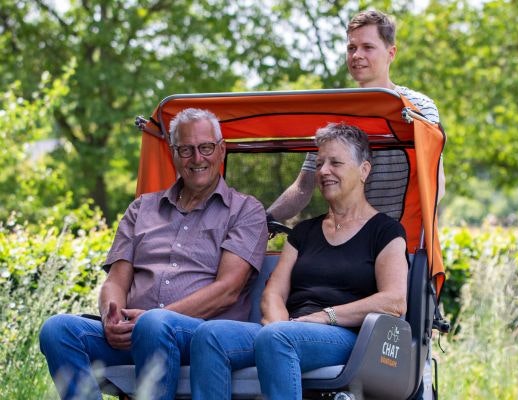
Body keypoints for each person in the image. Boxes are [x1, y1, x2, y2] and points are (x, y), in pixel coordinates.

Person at [39, 108, 269, 400]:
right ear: (173, 153)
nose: (197, 159)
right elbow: (116, 281)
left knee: (154, 324)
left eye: (206, 148)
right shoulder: (141, 209)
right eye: (186, 150)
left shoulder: (246, 210)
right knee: (58, 329)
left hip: (200, 336)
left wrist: (152, 318)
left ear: (221, 150)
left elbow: (227, 291)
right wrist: (111, 318)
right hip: (132, 333)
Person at [189, 122, 409, 399]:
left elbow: (394, 301)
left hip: (349, 336)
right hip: (289, 331)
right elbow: (273, 291)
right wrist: (281, 323)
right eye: (319, 164)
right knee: (209, 336)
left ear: (364, 170)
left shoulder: (385, 231)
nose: (324, 171)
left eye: (335, 163)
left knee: (276, 338)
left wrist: (323, 318)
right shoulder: (304, 232)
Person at [267, 9, 444, 222]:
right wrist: (262, 220)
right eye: (351, 48)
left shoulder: (419, 107)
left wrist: (393, 241)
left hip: (402, 242)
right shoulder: (333, 114)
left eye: (367, 47)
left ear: (391, 53)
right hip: (345, 240)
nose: (357, 55)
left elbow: (436, 186)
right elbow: (303, 188)